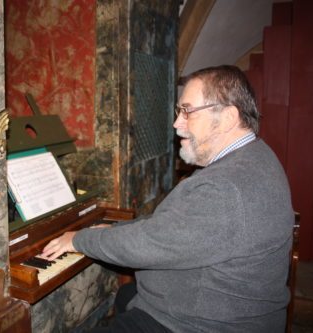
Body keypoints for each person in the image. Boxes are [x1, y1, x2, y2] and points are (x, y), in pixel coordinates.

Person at [41, 65, 294, 332]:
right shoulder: (255, 156)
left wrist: (79, 239)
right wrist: (115, 229)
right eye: (179, 111)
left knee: (123, 302)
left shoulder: (226, 187)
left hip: (200, 324)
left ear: (229, 118)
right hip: (216, 307)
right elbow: (173, 226)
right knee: (125, 295)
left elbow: (149, 245)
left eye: (188, 111)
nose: (177, 123)